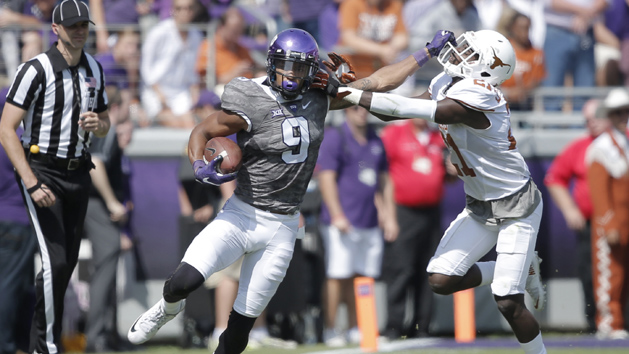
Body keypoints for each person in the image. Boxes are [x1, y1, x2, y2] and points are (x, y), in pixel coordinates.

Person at [125, 27, 455, 354]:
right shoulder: (250, 97)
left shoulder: (319, 96)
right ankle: (168, 309)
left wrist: (427, 52)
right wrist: (198, 165)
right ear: (271, 63)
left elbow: (378, 83)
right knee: (182, 282)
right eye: (286, 65)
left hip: (283, 226)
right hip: (242, 213)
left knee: (239, 331)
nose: (292, 74)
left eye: (300, 67)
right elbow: (203, 129)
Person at [329, 29, 548, 353]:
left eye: (470, 54)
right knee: (441, 279)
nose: (459, 54)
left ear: (487, 67)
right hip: (481, 206)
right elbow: (392, 108)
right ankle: (521, 266)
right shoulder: (447, 81)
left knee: (507, 301)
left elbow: (417, 111)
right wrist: (348, 89)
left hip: (517, 206)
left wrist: (349, 93)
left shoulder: (483, 94)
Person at [0, 1, 110, 353]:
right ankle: (46, 346)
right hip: (43, 170)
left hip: (78, 171)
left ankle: (40, 343)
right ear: (56, 29)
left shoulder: (94, 66)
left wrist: (100, 124)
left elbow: (106, 122)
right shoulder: (35, 69)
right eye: (72, 25)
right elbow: (6, 129)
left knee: (63, 268)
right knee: (55, 261)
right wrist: (31, 181)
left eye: (84, 25)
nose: (80, 31)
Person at [317, 105, 396, 347]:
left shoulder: (375, 138)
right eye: (355, 108)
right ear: (346, 111)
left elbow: (384, 180)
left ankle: (358, 326)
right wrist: (337, 214)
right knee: (337, 275)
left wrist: (389, 215)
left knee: (364, 275)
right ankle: (330, 329)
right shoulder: (335, 137)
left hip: (369, 220)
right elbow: (325, 177)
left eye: (365, 108)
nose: (361, 112)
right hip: (342, 221)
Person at [378, 117, 455, 340]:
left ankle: (423, 325)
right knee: (400, 270)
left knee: (428, 270)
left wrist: (453, 171)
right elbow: (384, 176)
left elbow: (448, 177)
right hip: (403, 211)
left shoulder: (437, 137)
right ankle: (394, 325)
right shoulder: (394, 133)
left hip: (431, 211)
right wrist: (389, 215)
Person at [543, 98, 609, 333]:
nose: (592, 123)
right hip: (591, 224)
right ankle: (595, 325)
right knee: (589, 273)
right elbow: (554, 178)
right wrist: (570, 209)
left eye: (597, 116)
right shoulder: (580, 147)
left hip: (620, 221)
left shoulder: (623, 142)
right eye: (588, 119)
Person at [83, 86, 132, 353]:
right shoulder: (108, 127)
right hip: (96, 204)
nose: (129, 110)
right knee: (104, 270)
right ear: (115, 108)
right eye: (126, 105)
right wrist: (112, 201)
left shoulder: (110, 129)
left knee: (109, 269)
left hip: (95, 204)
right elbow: (95, 163)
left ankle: (109, 334)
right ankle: (97, 338)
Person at [586, 87, 629, 340]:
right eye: (618, 112)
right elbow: (599, 192)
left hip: (626, 222)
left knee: (622, 274)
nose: (623, 116)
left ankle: (618, 322)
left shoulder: (623, 143)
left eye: (626, 111)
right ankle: (607, 323)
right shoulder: (601, 148)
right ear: (610, 115)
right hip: (611, 224)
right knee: (609, 273)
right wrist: (608, 224)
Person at [0, 87, 38, 354]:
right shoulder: (16, 139)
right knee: (10, 286)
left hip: (9, 218)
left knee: (19, 286)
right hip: (18, 219)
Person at [140, 0, 203, 128]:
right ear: (173, 10)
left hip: (181, 93)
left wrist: (195, 91)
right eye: (180, 8)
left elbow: (193, 70)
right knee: (176, 124)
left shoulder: (197, 35)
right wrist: (159, 94)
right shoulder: (159, 32)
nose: (184, 12)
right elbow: (145, 66)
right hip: (155, 92)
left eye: (189, 8)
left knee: (191, 126)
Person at [337, 0, 408, 79]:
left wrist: (391, 49)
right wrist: (381, 50)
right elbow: (349, 38)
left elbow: (402, 37)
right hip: (350, 70)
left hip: (380, 72)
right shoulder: (352, 3)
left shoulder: (393, 4)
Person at [196, 7, 255, 87]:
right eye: (234, 30)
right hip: (220, 93)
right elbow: (204, 82)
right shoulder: (208, 47)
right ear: (221, 27)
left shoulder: (242, 48)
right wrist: (233, 74)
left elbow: (254, 69)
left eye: (240, 30)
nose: (237, 35)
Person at [500, 11, 545, 111]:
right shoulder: (502, 49)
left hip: (526, 102)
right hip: (503, 100)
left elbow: (536, 80)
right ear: (512, 28)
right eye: (520, 28)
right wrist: (507, 92)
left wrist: (522, 91)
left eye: (527, 28)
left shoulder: (536, 53)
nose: (524, 32)